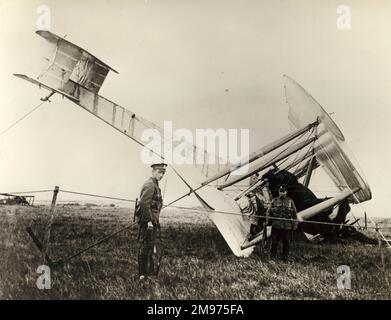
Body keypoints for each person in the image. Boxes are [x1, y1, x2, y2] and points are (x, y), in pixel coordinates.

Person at [135, 162, 167, 280]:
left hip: (153, 221)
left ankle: (149, 273)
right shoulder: (150, 185)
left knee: (150, 246)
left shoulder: (155, 186)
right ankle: (142, 274)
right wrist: (148, 221)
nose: (161, 175)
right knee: (145, 246)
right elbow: (144, 204)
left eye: (163, 173)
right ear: (153, 171)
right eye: (159, 172)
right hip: (148, 222)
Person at [267, 185, 298, 261]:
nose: (281, 193)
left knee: (286, 243)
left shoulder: (290, 201)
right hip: (276, 226)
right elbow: (268, 212)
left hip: (287, 226)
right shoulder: (274, 201)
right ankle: (272, 258)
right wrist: (267, 222)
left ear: (286, 192)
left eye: (283, 191)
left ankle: (285, 258)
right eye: (280, 191)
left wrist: (295, 225)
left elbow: (295, 214)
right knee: (274, 242)